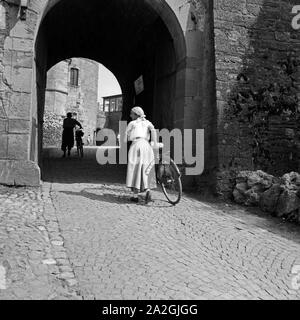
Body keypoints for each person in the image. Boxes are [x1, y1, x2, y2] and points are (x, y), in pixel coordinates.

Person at [124, 106, 158, 204]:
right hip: (147, 146)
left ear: (136, 114)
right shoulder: (147, 123)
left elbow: (125, 137)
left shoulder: (132, 123)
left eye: (131, 113)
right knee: (146, 168)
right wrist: (154, 143)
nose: (130, 115)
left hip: (137, 145)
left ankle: (135, 195)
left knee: (135, 168)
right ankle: (147, 190)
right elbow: (153, 131)